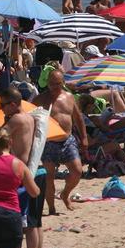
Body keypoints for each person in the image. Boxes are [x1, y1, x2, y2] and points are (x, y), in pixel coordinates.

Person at [1, 85, 45, 248]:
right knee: (36, 222)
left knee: (30, 224)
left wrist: (3, 123)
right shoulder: (29, 117)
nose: (1, 109)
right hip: (38, 170)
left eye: (3, 105)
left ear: (12, 104)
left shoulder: (17, 119)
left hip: (28, 173)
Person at [35, 68, 87, 214]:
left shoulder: (69, 97)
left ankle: (65, 194)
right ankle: (51, 208)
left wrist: (84, 137)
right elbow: (29, 115)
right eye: (51, 84)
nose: (54, 87)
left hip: (67, 139)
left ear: (63, 83)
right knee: (49, 177)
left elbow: (78, 118)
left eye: (57, 84)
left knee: (77, 171)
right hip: (49, 141)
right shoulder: (41, 99)